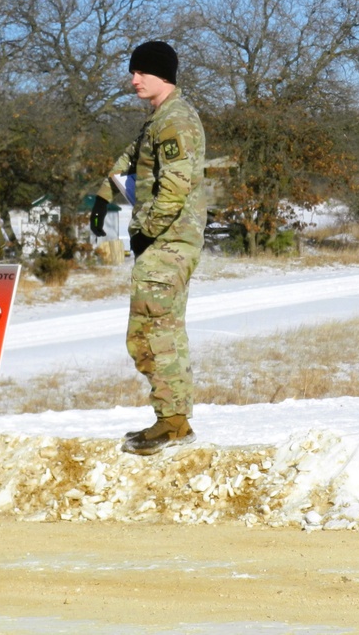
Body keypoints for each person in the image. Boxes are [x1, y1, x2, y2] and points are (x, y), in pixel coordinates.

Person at [89, 41, 207, 456]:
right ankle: (172, 419)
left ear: (163, 75)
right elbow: (130, 159)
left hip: (169, 238)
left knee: (154, 330)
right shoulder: (158, 120)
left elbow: (174, 188)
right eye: (132, 71)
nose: (133, 79)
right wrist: (105, 196)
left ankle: (173, 422)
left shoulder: (175, 121)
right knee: (153, 330)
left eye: (141, 72)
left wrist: (146, 230)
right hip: (163, 239)